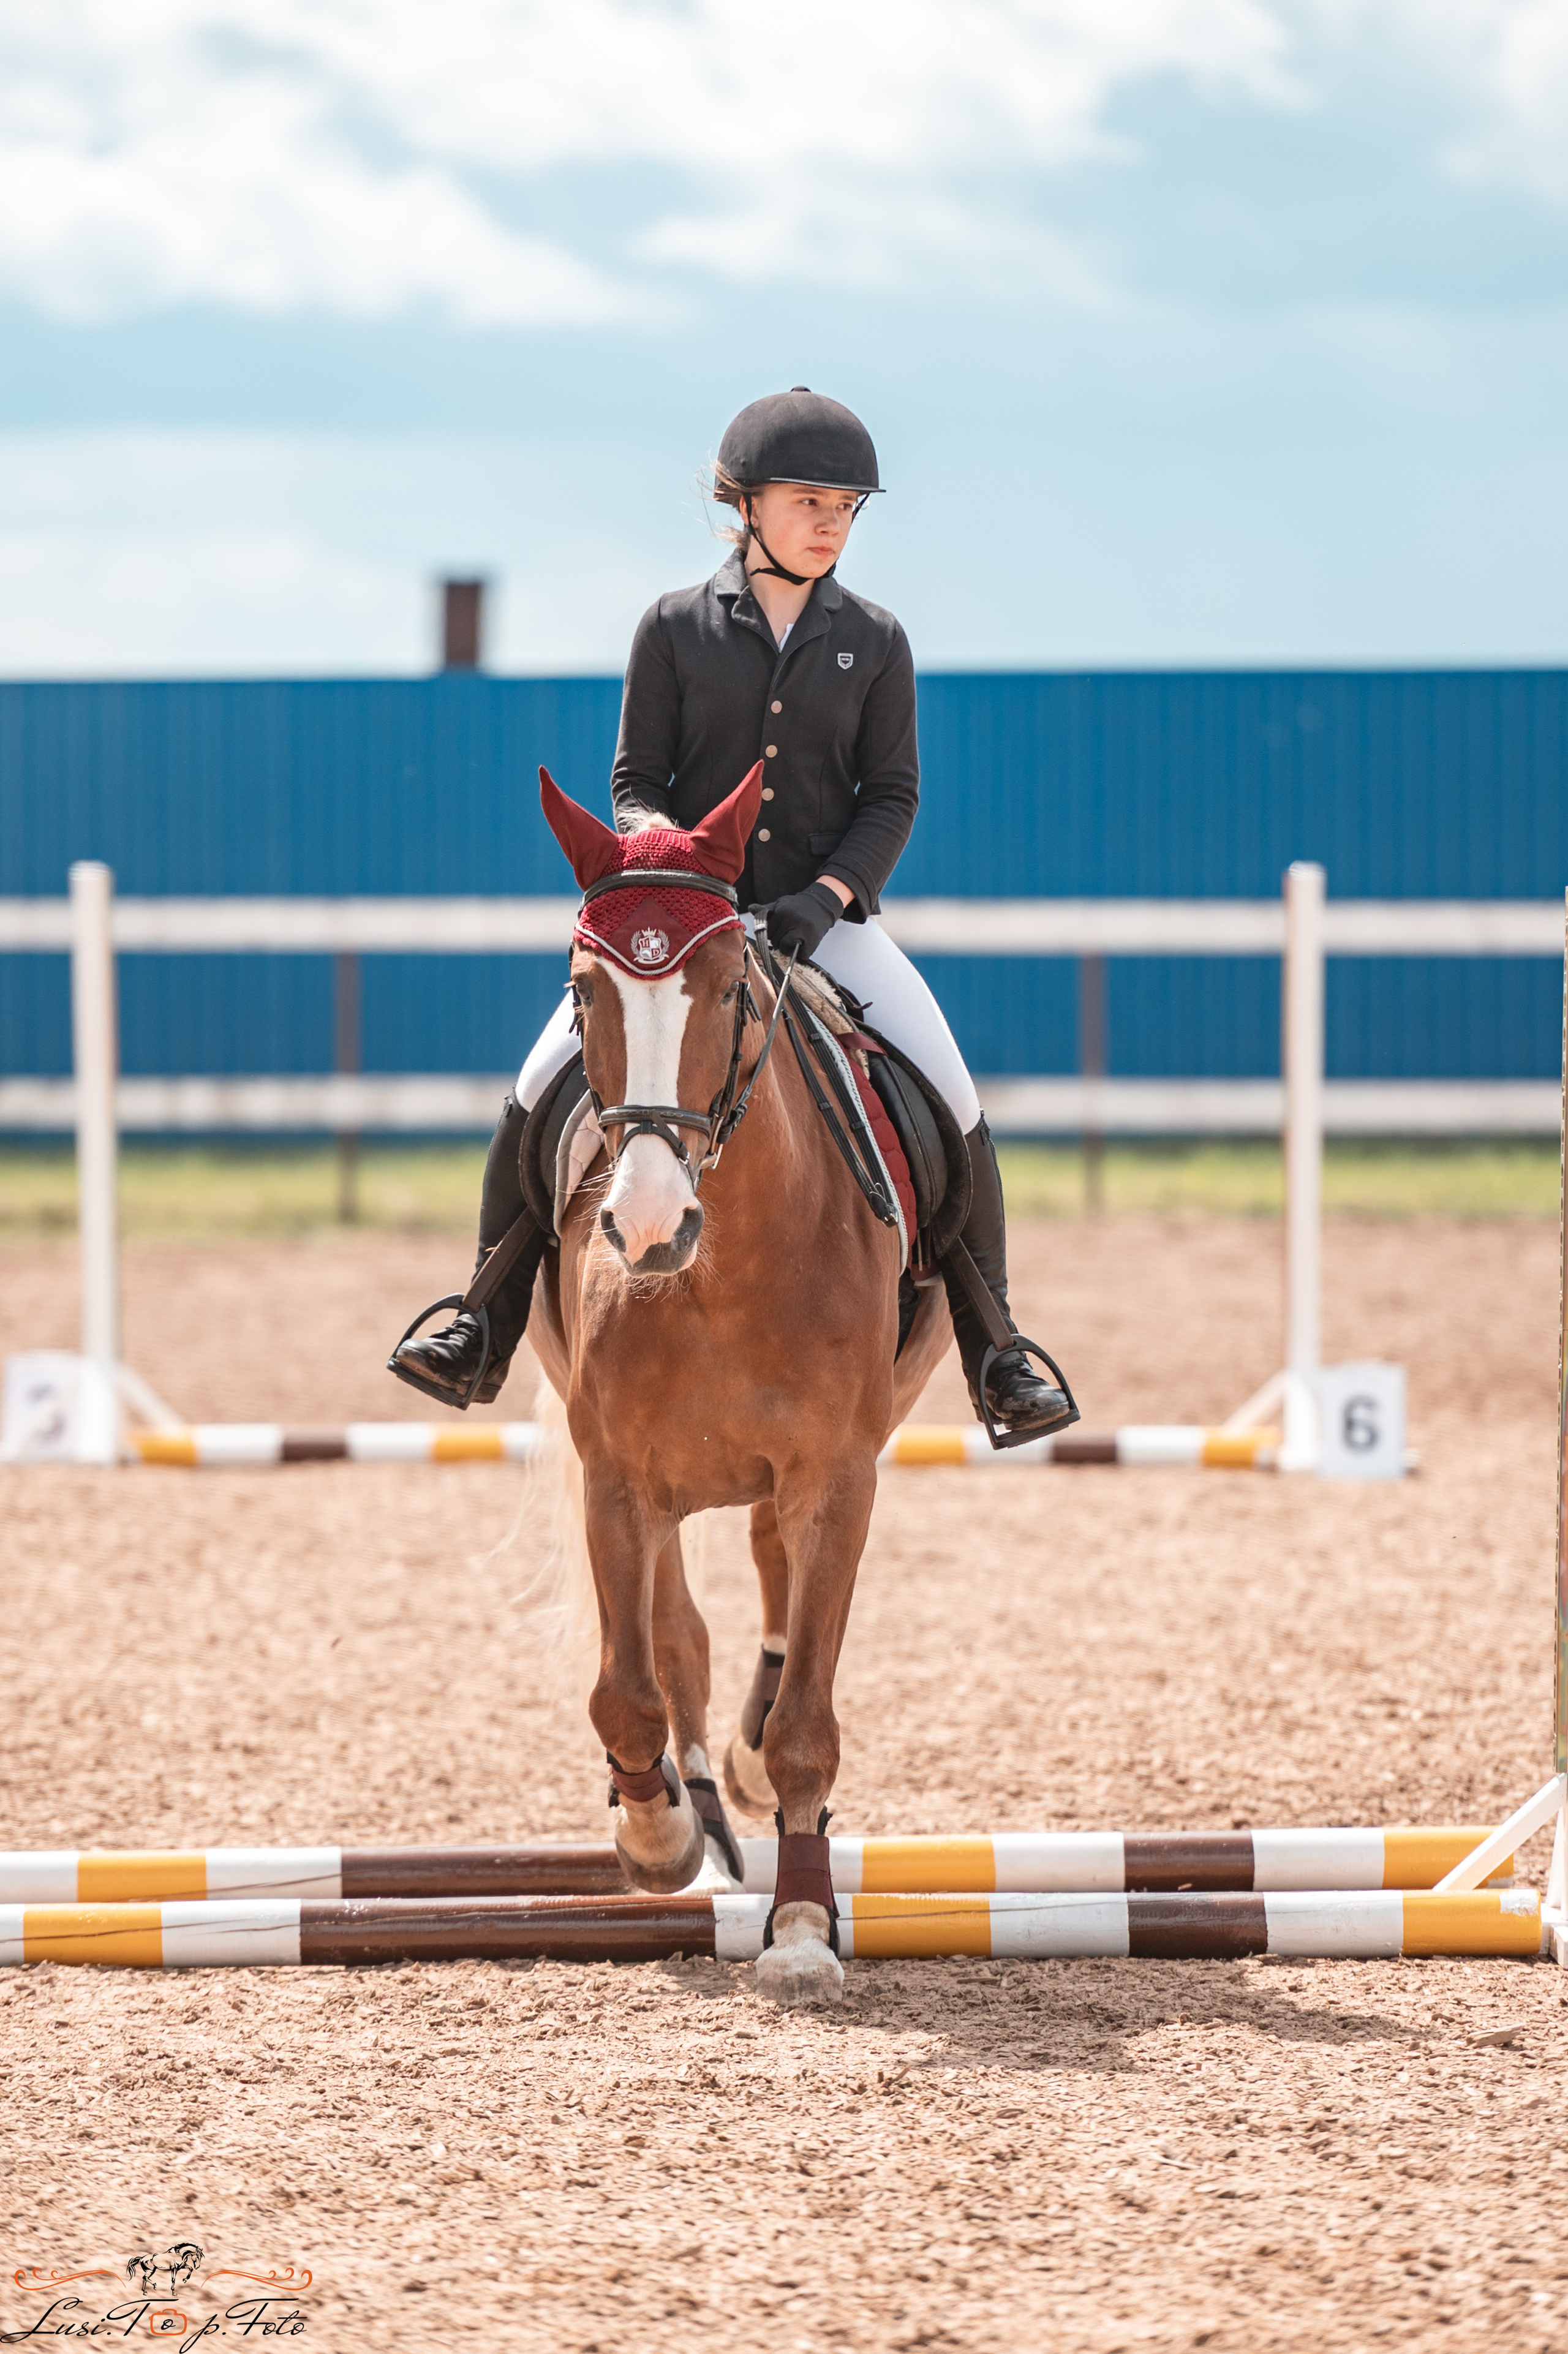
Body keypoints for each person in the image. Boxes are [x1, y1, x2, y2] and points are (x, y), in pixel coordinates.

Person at [390, 388, 1073, 1443]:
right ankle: (480, 1319)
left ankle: (998, 1351)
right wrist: (674, 866)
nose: (831, 524)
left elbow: (892, 797)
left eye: (846, 507)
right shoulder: (674, 627)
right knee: (537, 1088)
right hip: (681, 931)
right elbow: (635, 781)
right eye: (809, 502)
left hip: (825, 923)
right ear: (746, 506)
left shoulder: (875, 640)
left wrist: (825, 899)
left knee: (953, 1095)